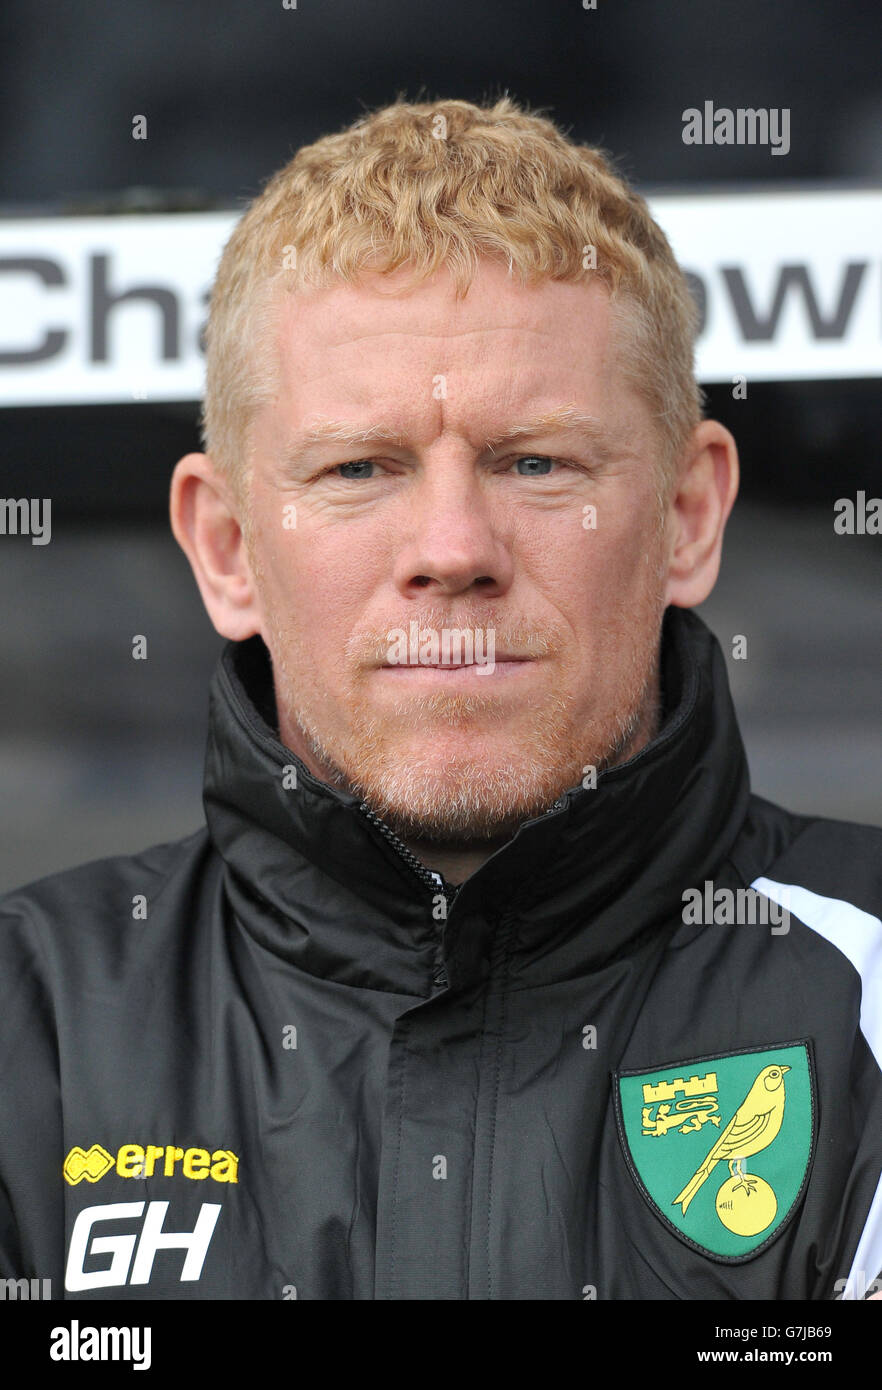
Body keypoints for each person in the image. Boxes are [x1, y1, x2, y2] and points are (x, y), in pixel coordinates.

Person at [1, 96, 880, 1301]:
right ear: (225, 548)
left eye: (536, 462)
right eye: (361, 468)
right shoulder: (25, 1021)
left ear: (688, 518)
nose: (455, 545)